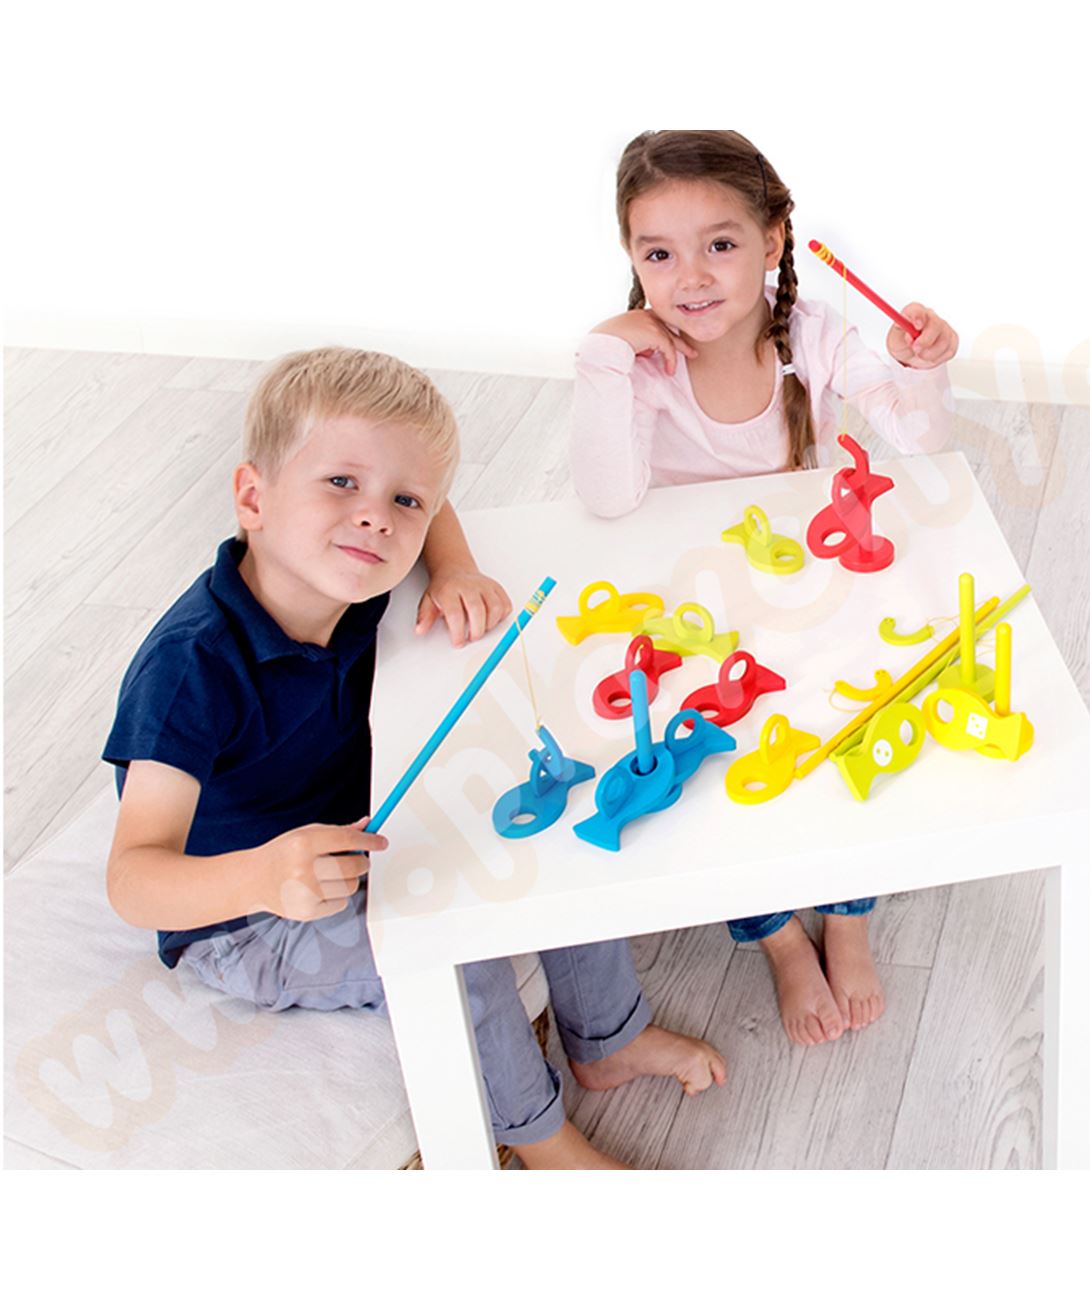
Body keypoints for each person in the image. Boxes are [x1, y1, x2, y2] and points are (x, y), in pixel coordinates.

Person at [104, 346, 725, 1169]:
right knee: (454, 946)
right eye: (340, 483)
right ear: (253, 497)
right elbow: (132, 880)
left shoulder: (352, 574)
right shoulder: (189, 670)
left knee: (557, 835)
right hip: (248, 918)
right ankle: (538, 1138)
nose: (377, 520)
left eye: (402, 501)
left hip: (359, 831)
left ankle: (609, 1040)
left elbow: (435, 507)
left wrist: (455, 566)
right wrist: (261, 877)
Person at [571, 130, 959, 1049]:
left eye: (720, 243)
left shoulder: (811, 334)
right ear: (630, 257)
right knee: (711, 773)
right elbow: (608, 497)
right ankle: (778, 934)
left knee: (847, 727)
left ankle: (848, 915)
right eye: (658, 254)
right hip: (695, 609)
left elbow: (922, 442)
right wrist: (602, 358)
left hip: (808, 592)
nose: (691, 277)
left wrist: (920, 365)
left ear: (774, 239)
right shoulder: (641, 364)